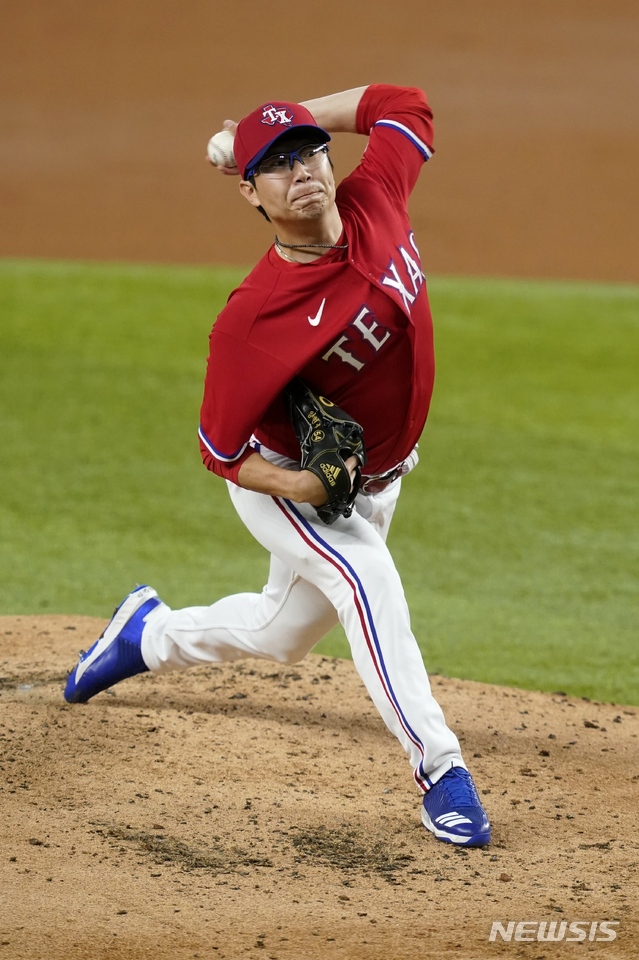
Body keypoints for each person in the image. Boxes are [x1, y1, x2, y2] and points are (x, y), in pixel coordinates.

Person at [64, 84, 491, 847]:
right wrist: (305, 485)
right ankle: (439, 768)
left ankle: (147, 635)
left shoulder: (377, 195)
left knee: (282, 632)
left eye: (308, 153)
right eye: (276, 164)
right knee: (368, 583)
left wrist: (286, 114)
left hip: (378, 477)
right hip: (289, 485)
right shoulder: (253, 319)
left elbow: (403, 103)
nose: (301, 170)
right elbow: (219, 450)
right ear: (249, 193)